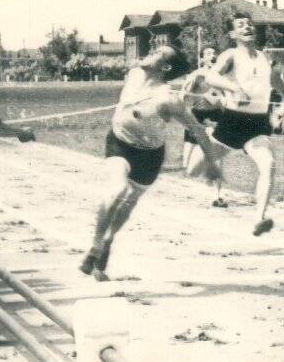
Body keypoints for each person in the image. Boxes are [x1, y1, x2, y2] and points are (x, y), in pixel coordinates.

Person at [79, 45, 221, 280]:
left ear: (164, 67)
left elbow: (197, 130)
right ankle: (95, 248)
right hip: (119, 142)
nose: (149, 52)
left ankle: (108, 239)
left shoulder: (167, 99)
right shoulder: (136, 73)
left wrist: (213, 164)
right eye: (152, 48)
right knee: (118, 189)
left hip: (149, 155)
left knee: (129, 201)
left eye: (157, 53)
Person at [187, 12, 284, 236]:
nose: (247, 27)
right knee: (193, 170)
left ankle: (259, 219)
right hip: (231, 123)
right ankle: (207, 134)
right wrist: (235, 88)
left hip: (257, 125)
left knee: (269, 164)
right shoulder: (230, 55)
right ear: (233, 33)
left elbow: (279, 86)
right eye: (241, 25)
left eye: (250, 24)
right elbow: (211, 78)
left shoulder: (265, 58)